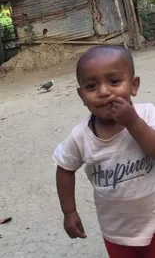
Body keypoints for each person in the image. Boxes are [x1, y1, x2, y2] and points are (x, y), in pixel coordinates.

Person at [53, 45, 155, 258]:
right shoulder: (81, 136)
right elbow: (64, 167)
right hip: (116, 231)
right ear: (81, 96)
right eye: (91, 86)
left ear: (134, 85)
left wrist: (133, 122)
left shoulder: (147, 115)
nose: (104, 92)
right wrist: (69, 211)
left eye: (115, 82)